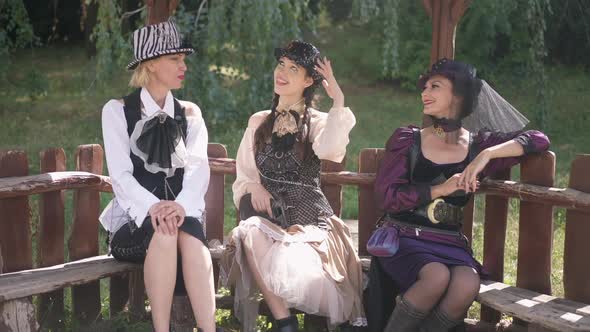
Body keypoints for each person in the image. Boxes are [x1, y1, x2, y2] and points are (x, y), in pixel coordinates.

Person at [368, 58, 550, 332]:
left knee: (467, 283)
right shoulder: (408, 139)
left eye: (435, 86)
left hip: (450, 242)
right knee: (436, 276)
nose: (424, 93)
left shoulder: (480, 145)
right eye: (425, 87)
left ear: (459, 95)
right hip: (405, 235)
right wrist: (442, 188)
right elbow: (387, 197)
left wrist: (487, 155)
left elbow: (538, 139)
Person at [222, 40, 366, 332]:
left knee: (293, 259)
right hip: (271, 222)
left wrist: (338, 102)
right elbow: (244, 173)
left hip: (311, 224)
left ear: (309, 80)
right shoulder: (259, 121)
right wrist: (255, 188)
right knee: (250, 233)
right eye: (281, 65)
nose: (282, 73)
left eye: (293, 68)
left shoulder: (317, 122)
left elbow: (331, 151)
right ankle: (285, 323)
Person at [99, 20, 218, 332]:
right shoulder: (117, 111)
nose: (184, 67)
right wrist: (154, 208)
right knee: (165, 235)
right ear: (151, 64)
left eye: (183, 60)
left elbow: (196, 170)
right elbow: (121, 176)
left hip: (182, 216)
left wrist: (179, 207)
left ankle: (209, 329)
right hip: (134, 223)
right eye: (175, 60)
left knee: (190, 238)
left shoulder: (190, 114)